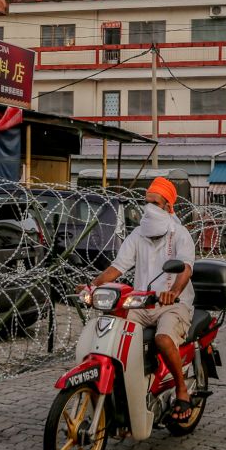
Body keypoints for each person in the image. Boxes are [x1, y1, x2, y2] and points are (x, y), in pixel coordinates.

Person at [84, 177, 196, 420]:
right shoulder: (138, 235)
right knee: (111, 330)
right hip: (141, 303)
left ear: (168, 207)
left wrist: (173, 292)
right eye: (146, 202)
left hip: (172, 306)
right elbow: (117, 267)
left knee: (164, 339)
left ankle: (181, 389)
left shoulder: (180, 234)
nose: (149, 208)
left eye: (155, 203)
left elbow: (185, 268)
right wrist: (92, 286)